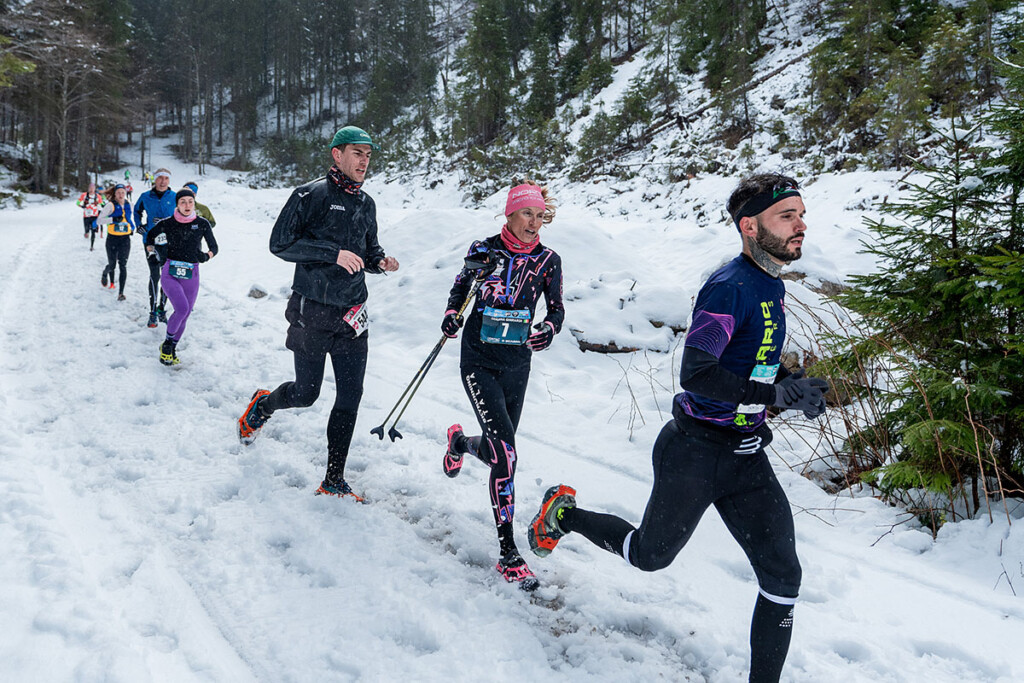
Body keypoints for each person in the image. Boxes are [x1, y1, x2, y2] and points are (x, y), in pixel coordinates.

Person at [528, 173, 831, 682]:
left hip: (746, 456)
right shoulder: (729, 287)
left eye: (801, 214)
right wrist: (774, 394)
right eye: (788, 216)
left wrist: (790, 385)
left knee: (783, 577)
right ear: (750, 226)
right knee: (649, 556)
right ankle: (565, 514)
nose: (801, 225)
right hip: (694, 452)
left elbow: (748, 361)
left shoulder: (771, 285)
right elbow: (698, 372)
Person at [236, 126, 399, 501]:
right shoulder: (309, 195)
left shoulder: (366, 203)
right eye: (357, 153)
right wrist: (331, 254)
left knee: (350, 395)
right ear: (336, 155)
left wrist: (380, 261)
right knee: (306, 393)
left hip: (353, 315)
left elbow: (368, 249)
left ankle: (334, 479)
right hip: (312, 310)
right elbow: (280, 244)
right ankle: (263, 405)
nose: (364, 161)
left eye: (369, 155)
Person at [439, 180, 564, 591]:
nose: (534, 221)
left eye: (539, 214)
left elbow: (557, 310)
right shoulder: (485, 250)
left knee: (498, 450)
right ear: (509, 215)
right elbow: (461, 288)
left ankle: (459, 443)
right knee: (508, 455)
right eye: (526, 213)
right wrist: (452, 315)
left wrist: (548, 328)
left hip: (517, 364)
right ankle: (508, 553)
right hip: (478, 360)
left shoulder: (548, 260)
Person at [144, 187, 217, 365]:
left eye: (190, 202)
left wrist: (206, 256)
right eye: (183, 202)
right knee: (182, 309)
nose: (187, 205)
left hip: (192, 274)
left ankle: (171, 349)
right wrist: (156, 253)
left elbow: (214, 247)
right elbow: (150, 237)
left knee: (185, 314)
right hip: (171, 272)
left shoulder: (202, 223)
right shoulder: (167, 223)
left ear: (194, 203)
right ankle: (168, 343)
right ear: (177, 204)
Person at [134, 168, 176, 328]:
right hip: (150, 241)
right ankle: (152, 312)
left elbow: (182, 214)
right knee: (154, 275)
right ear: (155, 180)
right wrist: (139, 226)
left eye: (166, 178)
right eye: (160, 178)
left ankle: (161, 309)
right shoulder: (146, 196)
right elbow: (136, 211)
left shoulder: (174, 197)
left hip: (170, 242)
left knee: (167, 277)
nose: (163, 181)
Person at [95, 183, 136, 300]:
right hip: (112, 239)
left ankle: (121, 293)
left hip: (125, 239)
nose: (121, 195)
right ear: (115, 194)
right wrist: (112, 219)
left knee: (123, 265)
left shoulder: (130, 205)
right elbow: (99, 221)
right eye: (118, 192)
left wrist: (132, 229)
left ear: (126, 193)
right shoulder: (110, 205)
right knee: (112, 265)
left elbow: (130, 219)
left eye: (123, 192)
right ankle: (105, 272)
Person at [76, 182, 106, 251]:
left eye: (93, 188)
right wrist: (81, 206)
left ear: (95, 189)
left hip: (95, 216)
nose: (91, 189)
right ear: (88, 188)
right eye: (90, 188)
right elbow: (77, 202)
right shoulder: (84, 195)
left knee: (93, 230)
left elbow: (102, 203)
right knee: (87, 230)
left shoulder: (98, 196)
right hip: (86, 216)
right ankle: (86, 232)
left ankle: (92, 246)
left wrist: (102, 204)